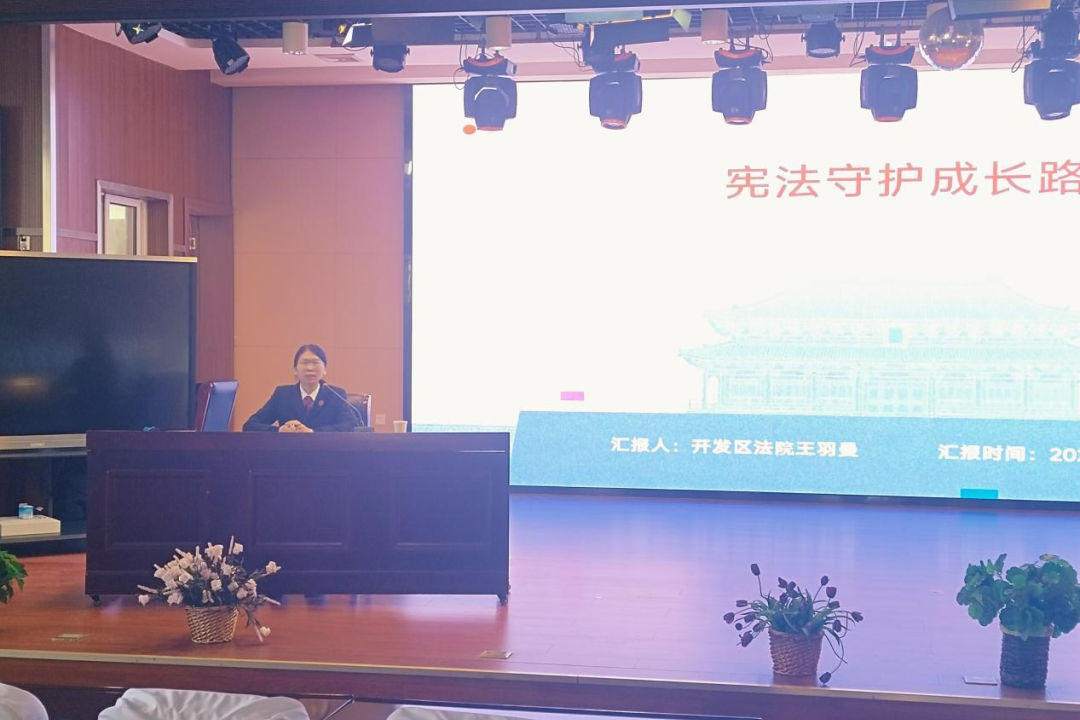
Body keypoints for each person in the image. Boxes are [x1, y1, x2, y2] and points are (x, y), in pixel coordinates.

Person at [242, 344, 360, 432]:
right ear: (295, 369)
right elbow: (250, 425)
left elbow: (351, 425)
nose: (310, 368)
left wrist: (312, 432)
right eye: (304, 362)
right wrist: (279, 430)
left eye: (315, 362)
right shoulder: (282, 395)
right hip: (290, 454)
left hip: (324, 454)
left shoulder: (335, 395)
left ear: (325, 369)